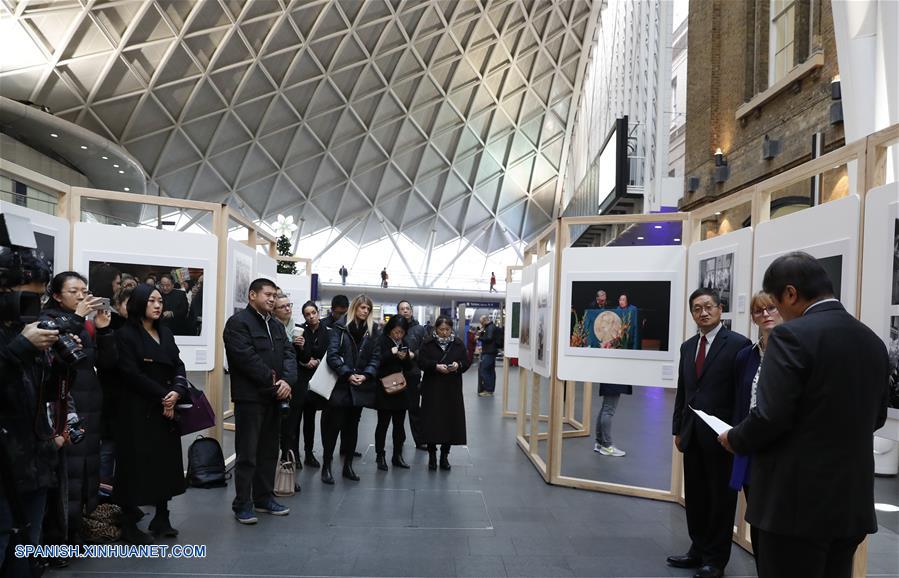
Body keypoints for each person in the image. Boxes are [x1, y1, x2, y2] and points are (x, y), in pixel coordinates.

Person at [719, 253, 889, 578]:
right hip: (849, 504)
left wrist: (736, 438)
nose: (777, 313)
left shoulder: (791, 335)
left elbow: (771, 416)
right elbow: (876, 418)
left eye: (777, 303)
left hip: (793, 506)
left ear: (791, 294)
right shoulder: (872, 341)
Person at [668, 288, 750, 578]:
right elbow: (684, 391)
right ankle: (697, 549)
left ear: (720, 309)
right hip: (692, 434)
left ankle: (715, 560)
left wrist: (737, 434)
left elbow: (743, 395)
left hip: (723, 437)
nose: (703, 312)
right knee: (697, 496)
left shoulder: (739, 345)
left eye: (708, 307)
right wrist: (678, 428)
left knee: (721, 500)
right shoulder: (688, 347)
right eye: (697, 308)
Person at [0, 243, 64, 574]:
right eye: (27, 297)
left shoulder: (29, 331)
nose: (33, 307)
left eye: (39, 298)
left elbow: (44, 394)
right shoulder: (18, 338)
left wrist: (61, 363)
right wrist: (19, 350)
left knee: (26, 554)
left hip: (35, 463)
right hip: (5, 470)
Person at [41, 272, 117, 546]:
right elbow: (61, 359)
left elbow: (105, 364)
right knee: (67, 475)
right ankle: (58, 539)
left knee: (86, 473)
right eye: (74, 291)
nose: (82, 296)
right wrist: (79, 319)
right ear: (57, 295)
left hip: (91, 405)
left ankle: (76, 531)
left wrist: (105, 329)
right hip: (67, 404)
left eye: (84, 290)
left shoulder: (86, 324)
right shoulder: (48, 320)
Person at [114, 284, 189, 543]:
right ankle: (129, 524)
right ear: (139, 303)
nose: (158, 305)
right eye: (152, 301)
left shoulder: (165, 332)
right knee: (134, 465)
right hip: (137, 410)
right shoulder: (125, 335)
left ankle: (162, 516)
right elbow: (130, 373)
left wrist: (177, 390)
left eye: (160, 301)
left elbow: (178, 363)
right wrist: (163, 396)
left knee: (165, 463)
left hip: (166, 409)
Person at [224, 278, 297, 525]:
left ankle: (264, 498)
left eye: (274, 295)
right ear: (252, 295)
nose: (272, 299)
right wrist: (275, 383)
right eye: (267, 294)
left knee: (268, 452)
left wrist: (287, 381)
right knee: (248, 454)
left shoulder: (276, 326)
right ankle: (242, 504)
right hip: (250, 399)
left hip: (275, 399)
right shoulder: (237, 324)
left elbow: (289, 353)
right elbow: (246, 359)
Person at [727, 292, 783, 563]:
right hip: (750, 447)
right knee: (757, 517)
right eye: (759, 311)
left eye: (772, 308)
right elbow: (741, 399)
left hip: (781, 451)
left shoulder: (793, 353)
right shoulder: (746, 356)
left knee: (778, 523)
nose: (766, 315)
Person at [323, 294, 380, 484]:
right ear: (354, 308)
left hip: (360, 385)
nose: (365, 311)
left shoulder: (372, 331)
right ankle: (327, 465)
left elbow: (375, 357)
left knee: (352, 427)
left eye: (368, 309)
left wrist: (366, 375)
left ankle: (348, 466)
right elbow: (332, 355)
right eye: (362, 307)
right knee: (334, 426)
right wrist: (348, 374)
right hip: (340, 384)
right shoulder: (340, 327)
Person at [418, 316, 470, 471]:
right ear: (436, 329)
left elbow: (466, 363)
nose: (444, 333)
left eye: (447, 329)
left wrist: (458, 365)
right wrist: (435, 366)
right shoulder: (427, 343)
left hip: (451, 389)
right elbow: (421, 362)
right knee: (431, 422)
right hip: (432, 388)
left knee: (450, 422)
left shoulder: (458, 344)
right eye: (441, 330)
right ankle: (432, 456)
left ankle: (444, 456)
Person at [98, 287, 133, 496]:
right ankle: (104, 497)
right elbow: (107, 363)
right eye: (127, 303)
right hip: (111, 397)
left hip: (133, 399)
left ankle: (126, 494)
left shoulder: (147, 329)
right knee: (108, 449)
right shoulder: (108, 327)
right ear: (118, 306)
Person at [374, 315, 414, 471]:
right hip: (384, 388)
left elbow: (410, 368)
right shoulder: (381, 341)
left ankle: (397, 455)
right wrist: (391, 353)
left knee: (399, 426)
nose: (398, 335)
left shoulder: (404, 343)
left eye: (402, 333)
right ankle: (380, 455)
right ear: (390, 330)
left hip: (400, 388)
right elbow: (377, 362)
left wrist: (405, 358)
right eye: (396, 332)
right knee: (383, 424)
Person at [293, 301, 329, 468]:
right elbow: (296, 354)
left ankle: (309, 453)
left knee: (310, 418)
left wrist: (317, 361)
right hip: (301, 378)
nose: (311, 316)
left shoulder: (327, 332)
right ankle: (294, 455)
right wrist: (304, 360)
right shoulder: (300, 330)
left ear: (318, 312)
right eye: (307, 314)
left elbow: (328, 353)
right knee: (295, 418)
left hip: (316, 380)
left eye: (313, 312)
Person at [397, 300, 427, 449]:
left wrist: (414, 355)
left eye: (407, 308)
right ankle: (399, 440)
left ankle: (420, 439)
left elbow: (427, 350)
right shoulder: (393, 329)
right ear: (398, 312)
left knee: (414, 408)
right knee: (397, 410)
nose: (405, 311)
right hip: (395, 373)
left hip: (413, 373)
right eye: (402, 309)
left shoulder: (420, 329)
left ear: (412, 311)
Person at [593, 383, 632, 457]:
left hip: (610, 379)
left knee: (605, 408)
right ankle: (607, 446)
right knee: (608, 410)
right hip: (614, 380)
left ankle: (600, 443)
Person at [477, 315, 498, 397]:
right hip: (491, 352)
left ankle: (488, 390)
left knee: (484, 370)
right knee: (490, 371)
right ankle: (490, 390)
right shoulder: (490, 327)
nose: (481, 324)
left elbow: (489, 338)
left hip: (489, 352)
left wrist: (479, 337)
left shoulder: (490, 328)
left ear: (485, 320)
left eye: (481, 322)